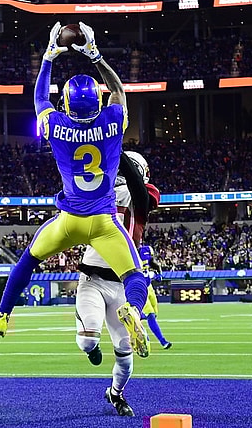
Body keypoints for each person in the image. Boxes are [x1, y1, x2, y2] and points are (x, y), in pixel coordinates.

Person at [0, 22, 151, 360]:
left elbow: (39, 97)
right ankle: (133, 311)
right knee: (134, 276)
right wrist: (94, 54)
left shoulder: (56, 125)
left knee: (28, 260)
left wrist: (49, 55)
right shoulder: (112, 121)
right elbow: (119, 91)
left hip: (70, 220)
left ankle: (2, 317)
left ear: (67, 105)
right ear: (98, 103)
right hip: (104, 222)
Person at [76, 151, 160, 417]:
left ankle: (115, 393)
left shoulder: (145, 194)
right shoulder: (101, 191)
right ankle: (92, 346)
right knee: (88, 342)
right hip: (93, 278)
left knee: (125, 351)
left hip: (123, 282)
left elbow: (138, 189)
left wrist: (116, 148)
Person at [138, 244, 172, 350]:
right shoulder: (133, 256)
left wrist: (159, 275)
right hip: (140, 288)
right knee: (151, 315)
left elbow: (155, 265)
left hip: (149, 287)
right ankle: (163, 341)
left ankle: (135, 318)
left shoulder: (147, 254)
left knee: (154, 313)